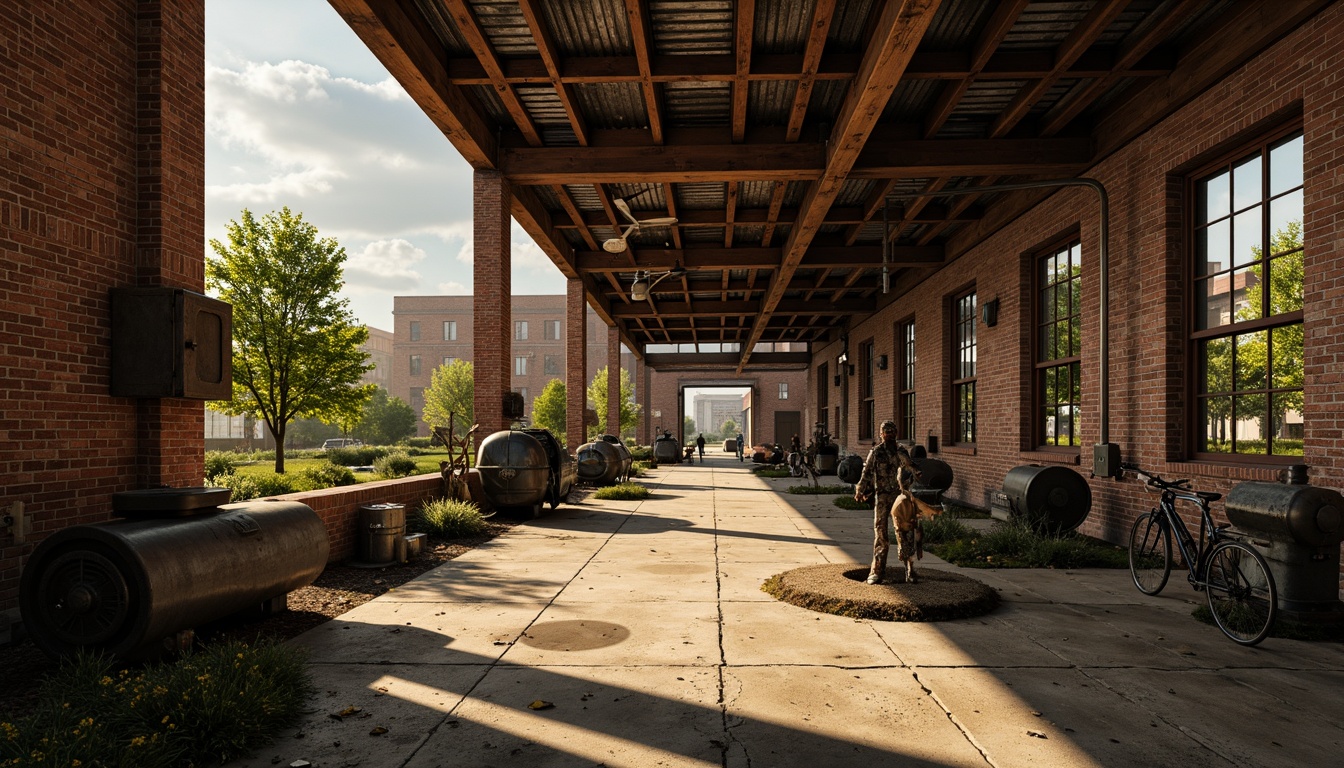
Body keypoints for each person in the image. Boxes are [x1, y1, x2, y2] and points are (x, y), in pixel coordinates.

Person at [854, 420, 922, 585]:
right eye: (886, 432)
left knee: (905, 532)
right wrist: (860, 490)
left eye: (892, 432)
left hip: (898, 498)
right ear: (881, 434)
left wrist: (913, 477)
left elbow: (912, 467)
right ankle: (877, 571)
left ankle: (910, 569)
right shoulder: (876, 452)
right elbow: (867, 472)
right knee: (881, 534)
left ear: (896, 434)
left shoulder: (900, 451)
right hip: (882, 497)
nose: (889, 435)